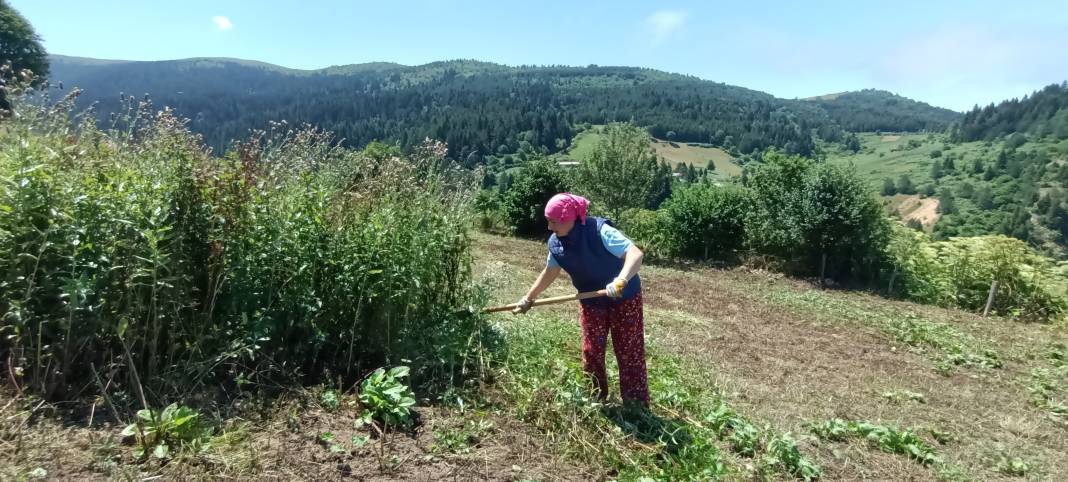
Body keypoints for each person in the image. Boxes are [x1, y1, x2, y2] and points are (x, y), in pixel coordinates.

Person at [513, 193, 648, 406]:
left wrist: (621, 281)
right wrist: (528, 298)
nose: (549, 227)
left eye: (553, 221)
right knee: (591, 349)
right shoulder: (556, 243)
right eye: (548, 220)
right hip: (591, 301)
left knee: (629, 349)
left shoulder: (599, 231)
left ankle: (636, 405)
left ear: (570, 218)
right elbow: (550, 272)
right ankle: (595, 398)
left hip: (624, 298)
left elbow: (635, 254)